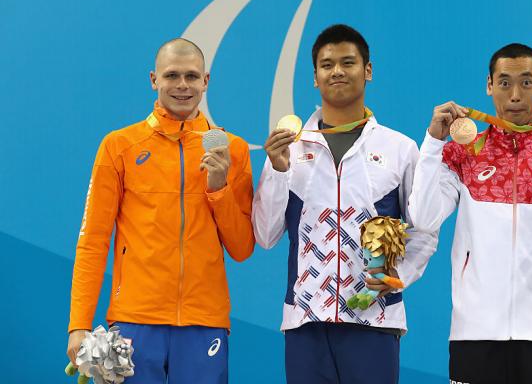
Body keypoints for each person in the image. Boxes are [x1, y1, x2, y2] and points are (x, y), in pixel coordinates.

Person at [409, 43, 532, 384]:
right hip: (475, 334)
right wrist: (433, 142)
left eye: (526, 82)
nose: (515, 95)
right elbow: (423, 217)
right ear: (489, 86)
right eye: (504, 83)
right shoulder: (463, 153)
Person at [252, 24, 434, 383]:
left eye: (348, 62)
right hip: (305, 321)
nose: (337, 71)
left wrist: (399, 278)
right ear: (315, 78)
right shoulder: (288, 146)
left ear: (368, 71)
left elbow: (424, 230)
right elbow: (265, 234)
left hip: (375, 320)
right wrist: (277, 170)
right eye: (327, 64)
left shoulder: (400, 149)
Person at [66, 38, 255, 383]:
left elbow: (242, 248)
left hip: (205, 323)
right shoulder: (119, 146)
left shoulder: (233, 151)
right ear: (154, 79)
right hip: (135, 322)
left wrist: (219, 188)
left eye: (191, 76)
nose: (182, 85)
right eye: (172, 75)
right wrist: (78, 324)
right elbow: (92, 240)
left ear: (206, 81)